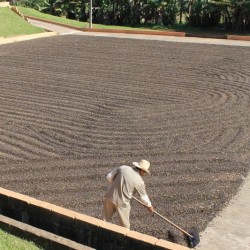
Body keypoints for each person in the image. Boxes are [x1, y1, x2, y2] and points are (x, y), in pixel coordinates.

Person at [103, 159, 154, 229]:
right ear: (142, 170)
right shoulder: (140, 182)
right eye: (145, 172)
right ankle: (123, 238)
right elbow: (144, 198)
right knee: (125, 227)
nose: (144, 174)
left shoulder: (123, 168)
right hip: (122, 203)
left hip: (109, 197)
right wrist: (149, 206)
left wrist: (117, 185)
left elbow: (109, 177)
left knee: (103, 221)